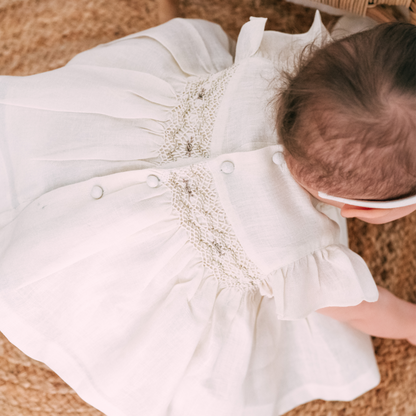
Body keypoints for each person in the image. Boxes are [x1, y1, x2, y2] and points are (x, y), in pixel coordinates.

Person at [0, 9, 415, 416]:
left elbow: (366, 59)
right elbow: (364, 308)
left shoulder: (263, 71)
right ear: (360, 208)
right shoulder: (295, 250)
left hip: (110, 176)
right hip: (137, 256)